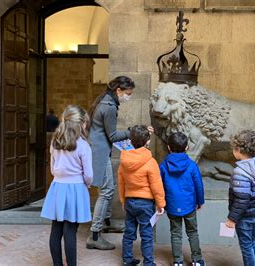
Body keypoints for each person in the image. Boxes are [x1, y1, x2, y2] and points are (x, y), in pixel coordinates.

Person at [87, 76, 153, 250]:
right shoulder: (108, 107)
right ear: (119, 91)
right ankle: (94, 235)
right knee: (107, 191)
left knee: (108, 187)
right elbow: (114, 136)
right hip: (99, 153)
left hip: (98, 151)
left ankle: (106, 222)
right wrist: (135, 131)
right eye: (128, 93)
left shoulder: (105, 102)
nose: (128, 97)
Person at [40, 105, 93, 266]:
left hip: (58, 186)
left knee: (56, 230)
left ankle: (57, 264)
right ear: (81, 124)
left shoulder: (55, 142)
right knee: (70, 231)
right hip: (76, 187)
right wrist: (87, 184)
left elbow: (52, 167)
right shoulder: (83, 145)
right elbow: (88, 173)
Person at [118, 125, 166, 266]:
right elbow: (157, 185)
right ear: (147, 142)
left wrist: (123, 200)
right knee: (146, 234)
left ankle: (127, 260)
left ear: (131, 141)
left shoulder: (124, 160)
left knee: (129, 233)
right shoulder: (150, 162)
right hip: (145, 204)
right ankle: (149, 262)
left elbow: (121, 183)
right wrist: (161, 204)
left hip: (130, 201)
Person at [159, 132, 205, 266]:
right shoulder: (191, 165)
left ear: (169, 147)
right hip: (190, 205)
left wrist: (160, 202)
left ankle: (178, 261)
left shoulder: (163, 166)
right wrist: (200, 201)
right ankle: (197, 260)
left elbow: (159, 186)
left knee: (175, 233)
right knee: (192, 232)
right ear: (186, 148)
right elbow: (198, 185)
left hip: (172, 206)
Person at [225, 129, 255, 266]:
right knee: (252, 241)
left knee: (246, 247)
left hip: (244, 215)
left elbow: (242, 200)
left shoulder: (240, 172)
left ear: (238, 150)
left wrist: (232, 218)